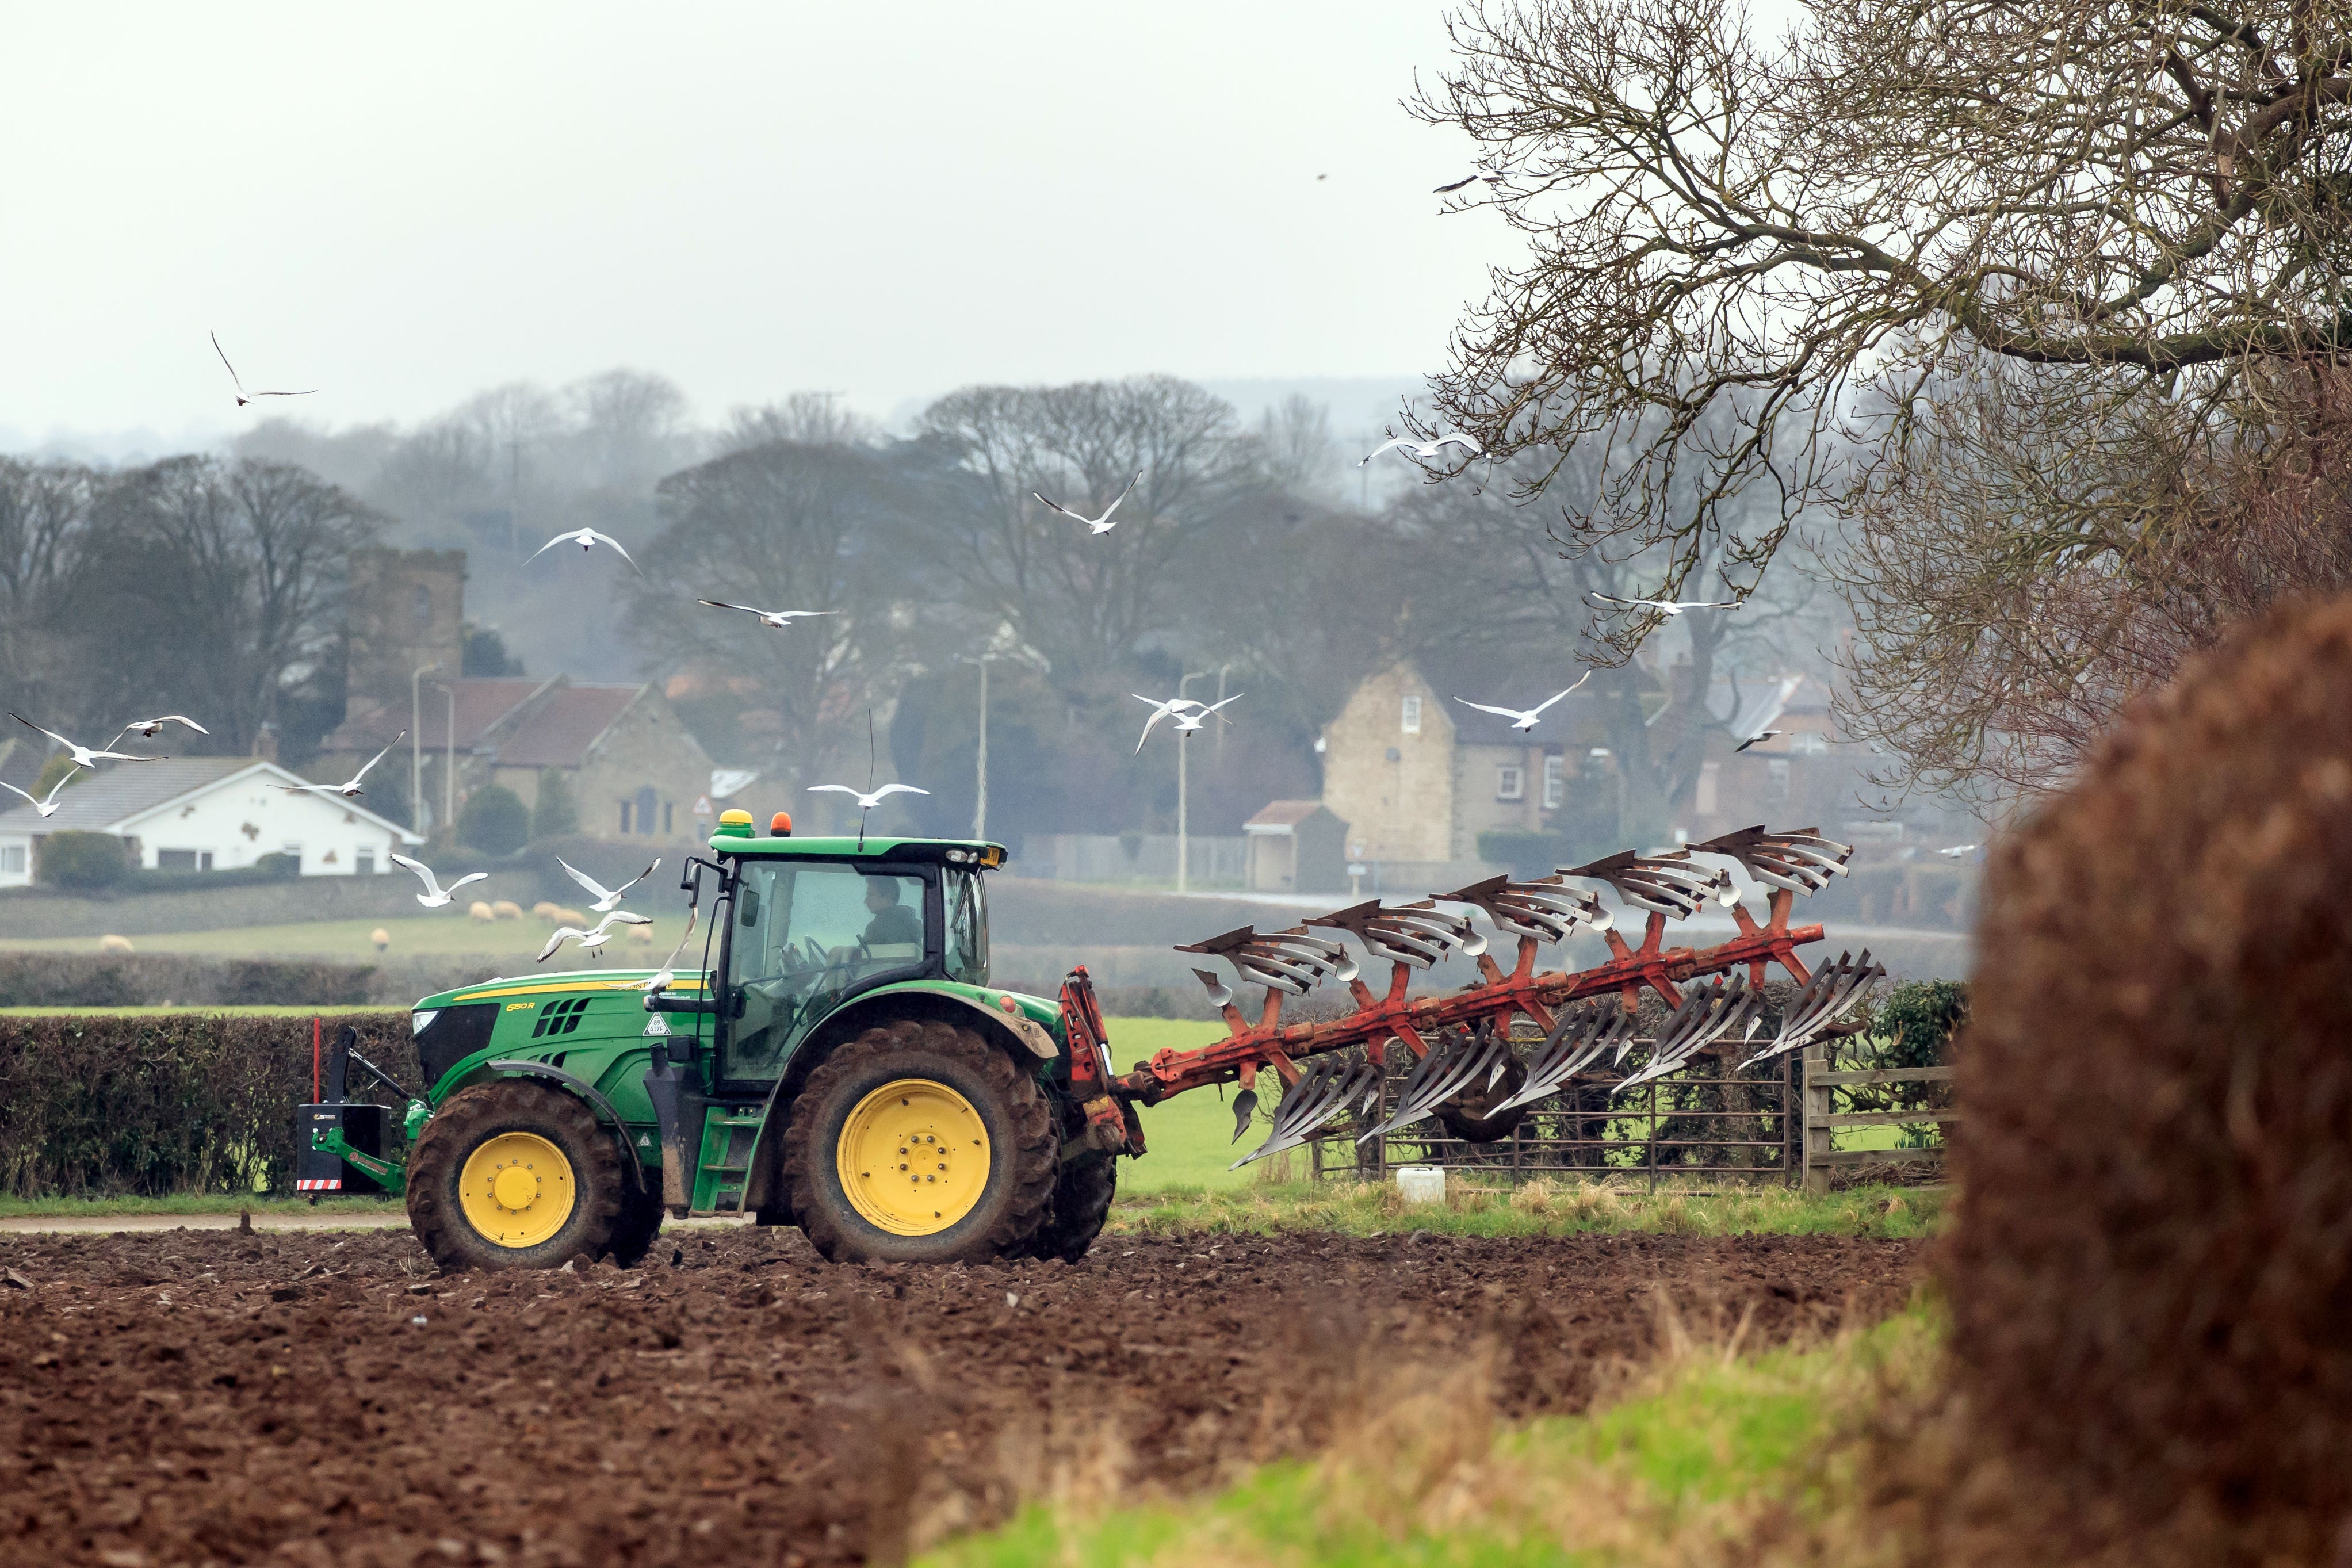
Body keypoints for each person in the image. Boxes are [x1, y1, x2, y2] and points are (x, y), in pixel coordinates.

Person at [860, 876, 921, 949]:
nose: (866, 901)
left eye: (871, 895)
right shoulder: (911, 924)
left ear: (887, 897)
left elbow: (863, 956)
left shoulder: (879, 925)